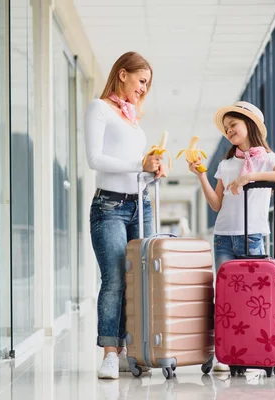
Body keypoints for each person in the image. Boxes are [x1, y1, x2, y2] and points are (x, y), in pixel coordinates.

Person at [187, 100, 275, 371]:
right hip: (223, 237)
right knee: (224, 298)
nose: (229, 131)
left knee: (255, 298)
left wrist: (250, 177)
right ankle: (229, 350)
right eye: (226, 129)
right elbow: (216, 204)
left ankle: (253, 350)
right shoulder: (226, 163)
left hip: (252, 236)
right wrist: (201, 177)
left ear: (250, 125)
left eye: (233, 125)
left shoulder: (266, 158)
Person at [84, 51, 165, 379]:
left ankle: (132, 349)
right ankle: (109, 353)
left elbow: (135, 168)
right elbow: (95, 159)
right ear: (122, 74)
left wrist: (152, 169)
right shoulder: (99, 108)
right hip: (110, 208)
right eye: (141, 80)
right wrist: (138, 165)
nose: (144, 88)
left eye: (148, 84)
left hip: (139, 205)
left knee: (138, 280)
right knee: (115, 279)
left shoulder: (132, 119)